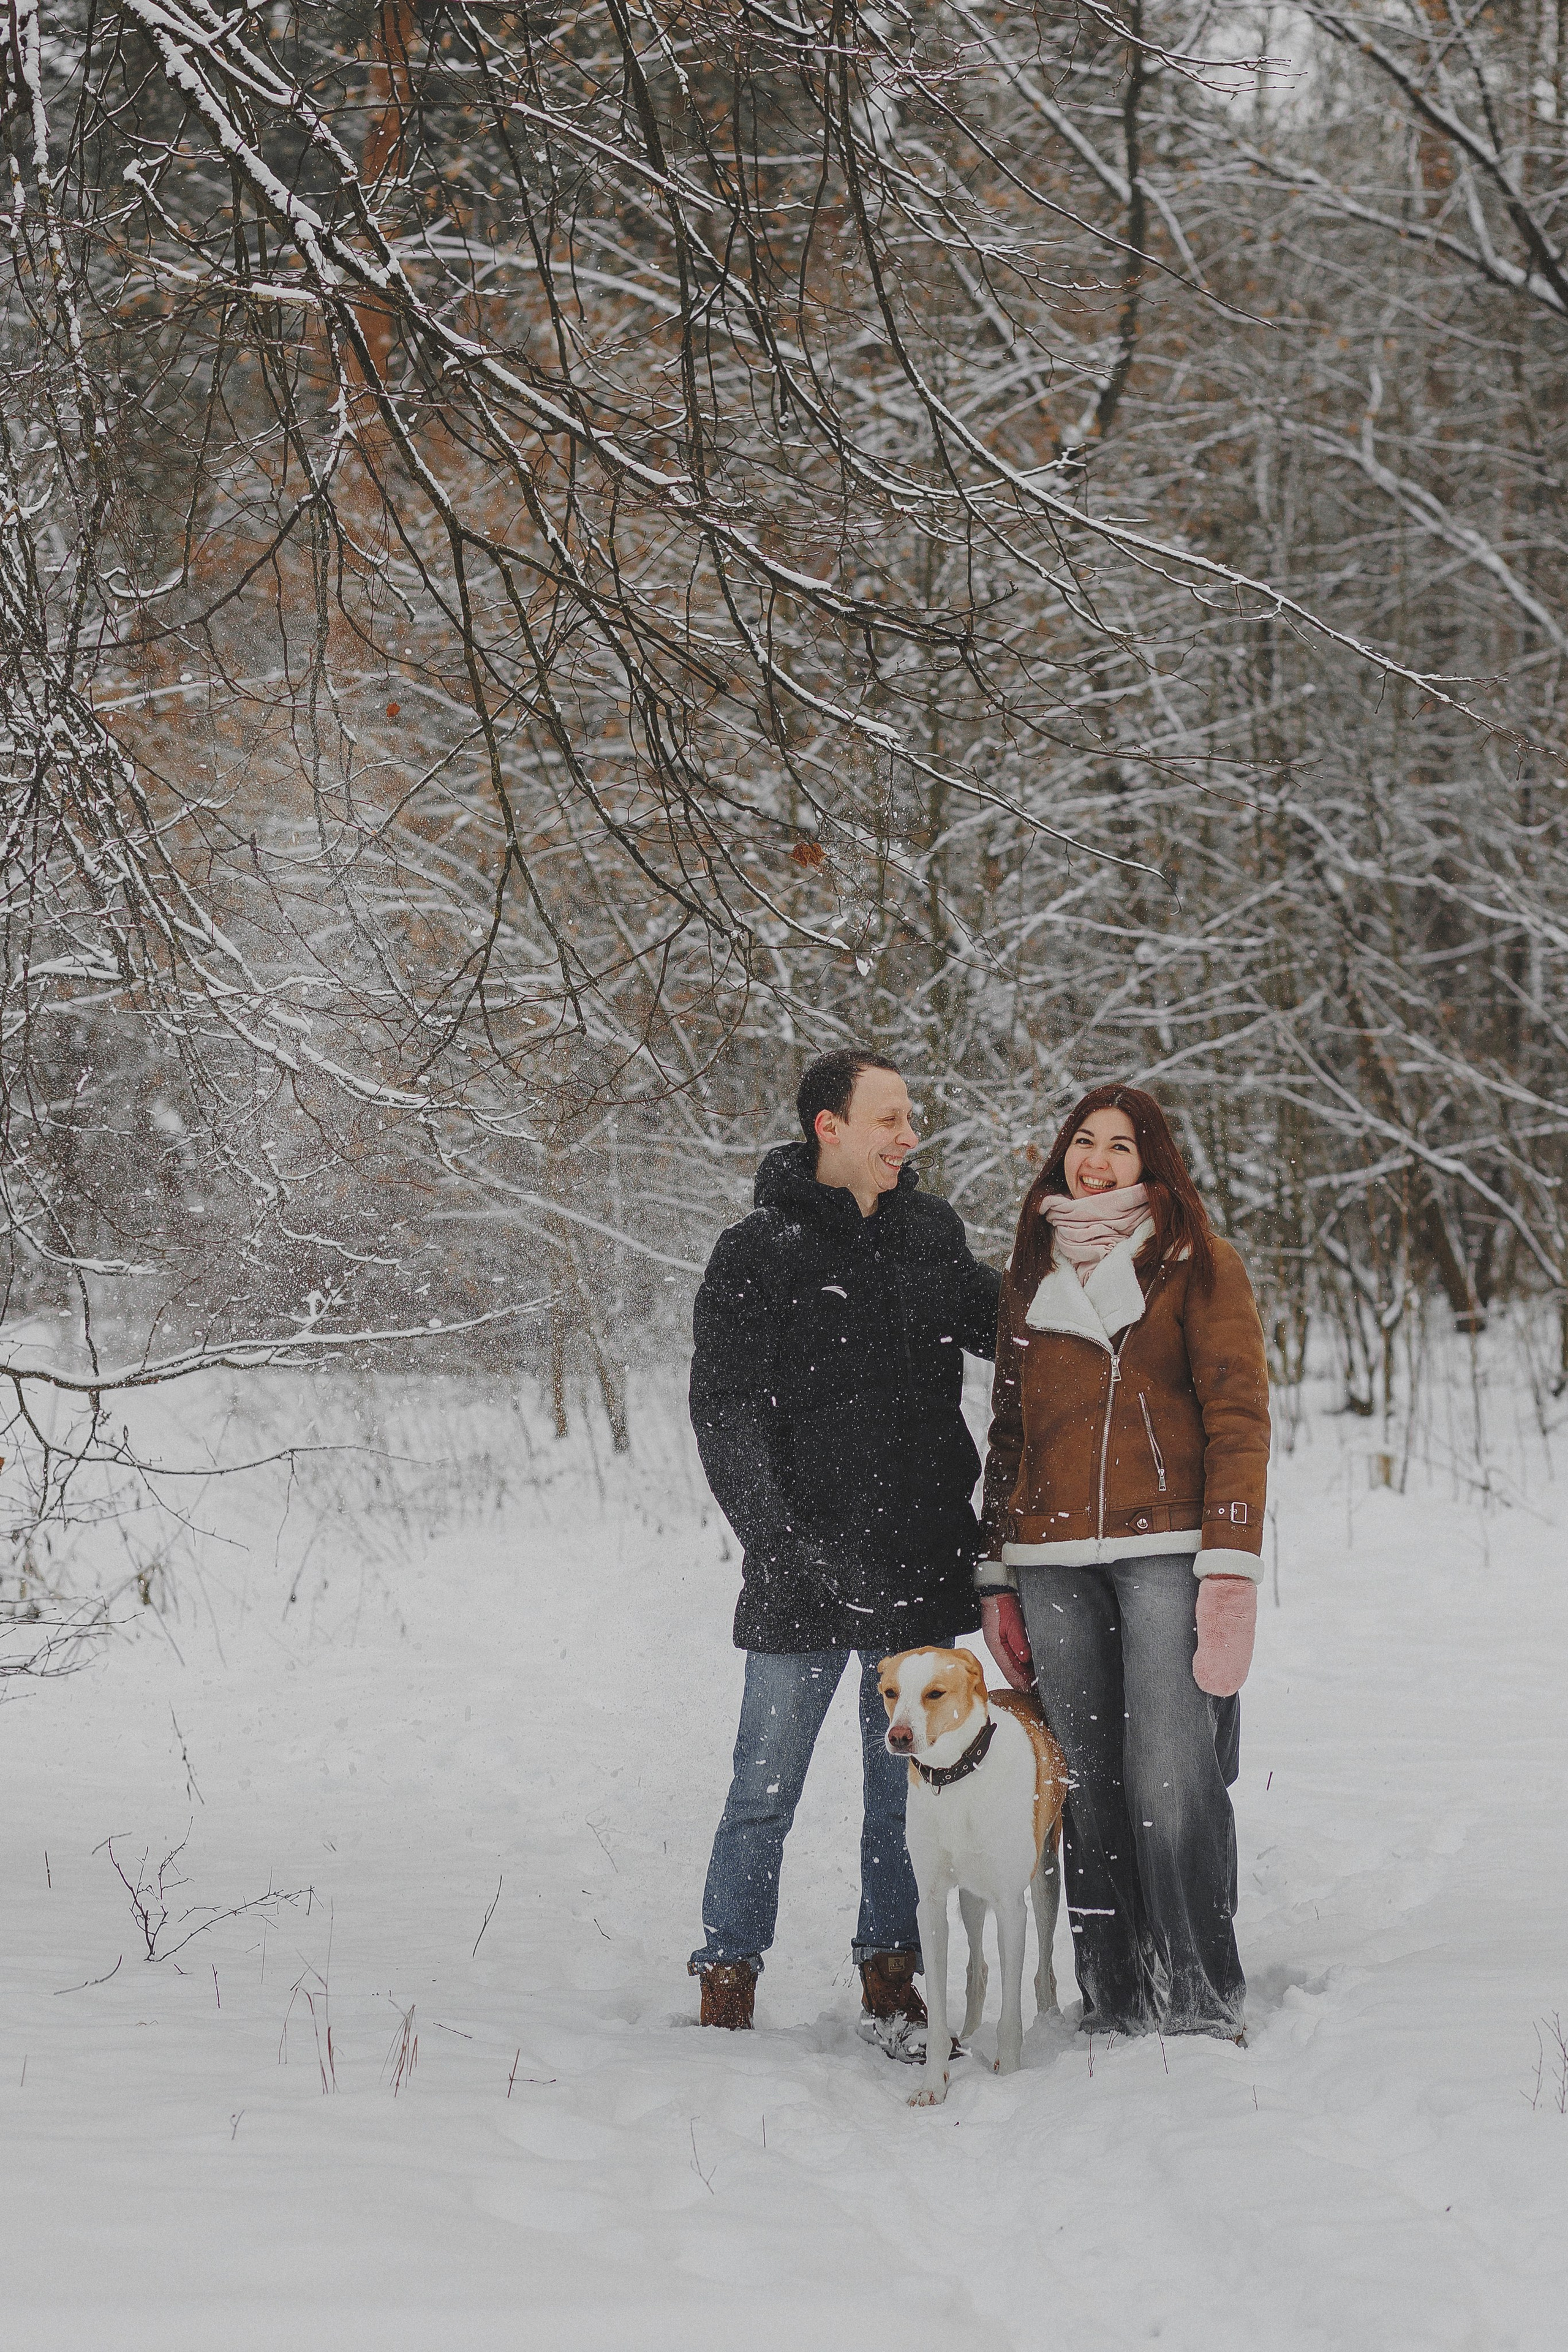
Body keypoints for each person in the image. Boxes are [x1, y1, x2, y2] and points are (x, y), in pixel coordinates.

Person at [688, 1048, 1000, 2054]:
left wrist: (1092, 1257)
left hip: (913, 1568)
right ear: (830, 1126)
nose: (911, 1136)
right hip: (801, 1572)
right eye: (891, 1118)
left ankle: (891, 1973)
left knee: (899, 1794)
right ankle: (727, 1975)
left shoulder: (928, 1235)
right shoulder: (758, 1251)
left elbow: (1008, 1325)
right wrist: (777, 1545)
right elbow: (724, 1413)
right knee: (762, 1789)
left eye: (912, 1118)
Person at [977, 1084, 1268, 2040]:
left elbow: (1238, 1419)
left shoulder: (1198, 1264)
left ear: (1152, 1168)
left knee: (1170, 1775)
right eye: (1082, 1143)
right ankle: (1113, 1992)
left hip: (1168, 1551)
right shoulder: (1027, 1275)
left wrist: (1230, 1568)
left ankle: (1196, 1993)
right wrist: (996, 1574)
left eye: (1120, 1148)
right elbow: (1008, 1434)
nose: (1095, 1161)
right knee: (1087, 1779)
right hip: (1050, 1557)